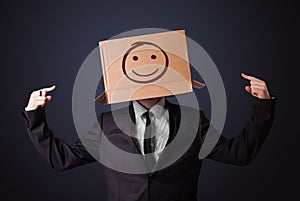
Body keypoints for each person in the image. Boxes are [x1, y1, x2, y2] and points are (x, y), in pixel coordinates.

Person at [22, 73, 276, 201]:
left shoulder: (193, 120)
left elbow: (239, 154)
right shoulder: (107, 124)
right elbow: (61, 159)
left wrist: (262, 106)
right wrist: (35, 115)